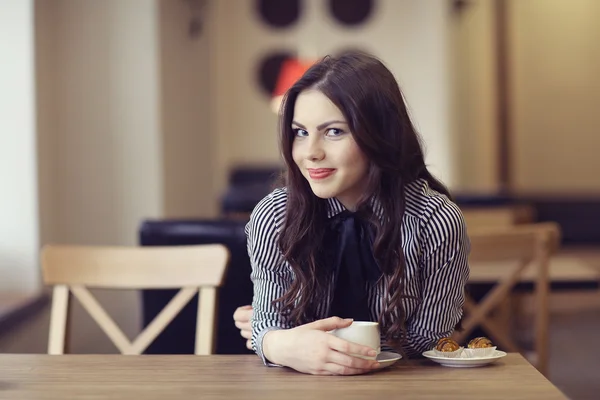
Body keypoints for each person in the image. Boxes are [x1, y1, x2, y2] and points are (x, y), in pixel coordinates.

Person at [233, 51, 470, 376]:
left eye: (334, 132)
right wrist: (277, 343)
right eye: (300, 132)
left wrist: (301, 343)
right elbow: (269, 328)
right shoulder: (274, 216)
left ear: (379, 133)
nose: (311, 152)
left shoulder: (435, 220)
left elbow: (428, 339)